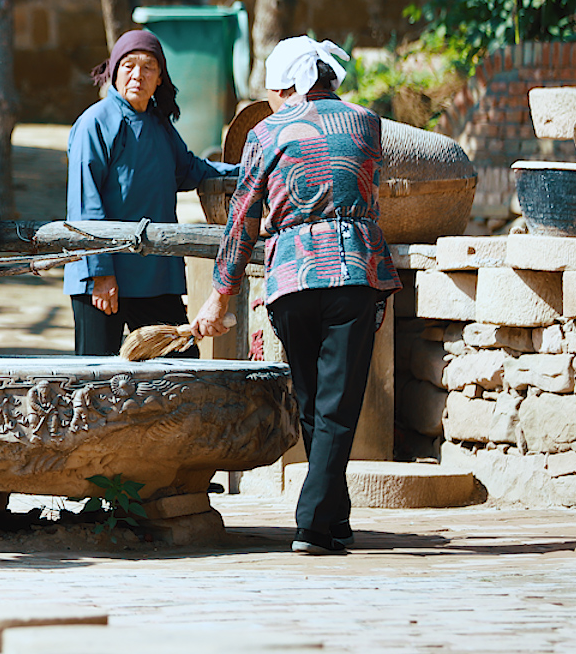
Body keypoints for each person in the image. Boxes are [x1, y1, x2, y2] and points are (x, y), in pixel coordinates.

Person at [193, 36, 400, 555]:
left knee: (312, 401)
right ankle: (313, 522)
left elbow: (242, 215)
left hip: (290, 280)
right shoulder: (367, 123)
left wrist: (222, 292)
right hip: (354, 273)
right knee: (336, 404)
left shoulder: (265, 133)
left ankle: (331, 519)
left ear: (287, 87)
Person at [65, 29, 237, 356]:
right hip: (104, 277)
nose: (138, 75)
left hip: (155, 274)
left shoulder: (159, 125)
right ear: (114, 72)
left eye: (148, 67)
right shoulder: (95, 124)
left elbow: (191, 171)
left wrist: (245, 172)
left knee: (182, 364)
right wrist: (101, 274)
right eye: (129, 66)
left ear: (160, 79)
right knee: (98, 382)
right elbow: (85, 205)